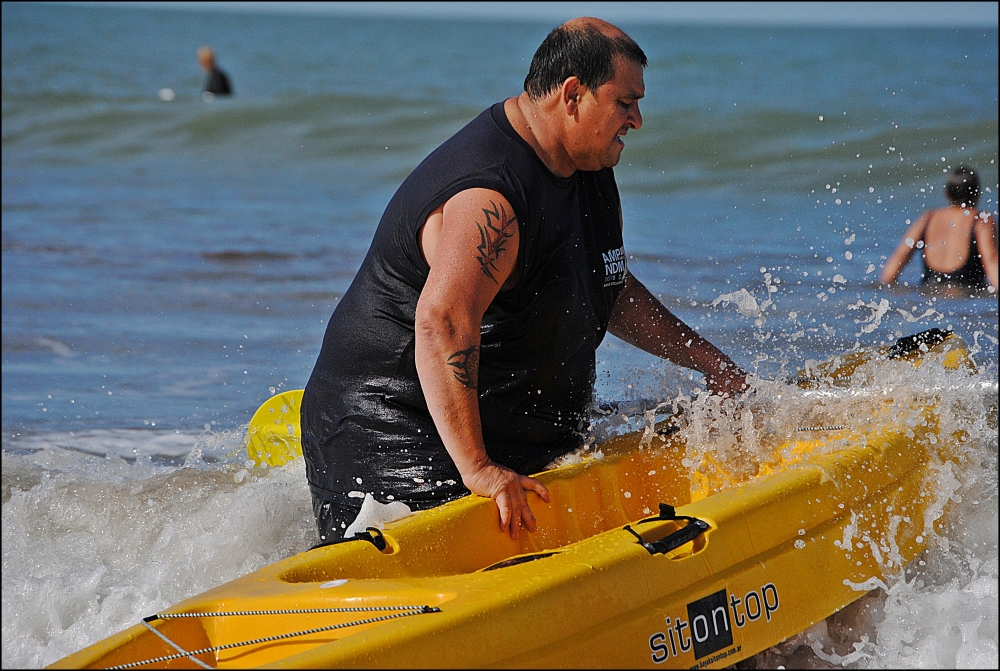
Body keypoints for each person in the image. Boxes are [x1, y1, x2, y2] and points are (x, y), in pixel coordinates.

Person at [301, 17, 748, 545]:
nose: (638, 120)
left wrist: (712, 365)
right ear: (573, 95)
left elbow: (608, 287)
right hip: (394, 435)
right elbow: (443, 322)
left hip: (502, 432)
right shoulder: (492, 195)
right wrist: (479, 470)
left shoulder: (588, 166)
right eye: (626, 103)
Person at [880, 166, 998, 292]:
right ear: (977, 194)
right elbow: (991, 261)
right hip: (964, 300)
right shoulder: (981, 220)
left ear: (947, 193)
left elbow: (898, 258)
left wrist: (883, 290)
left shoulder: (928, 217)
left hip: (929, 298)